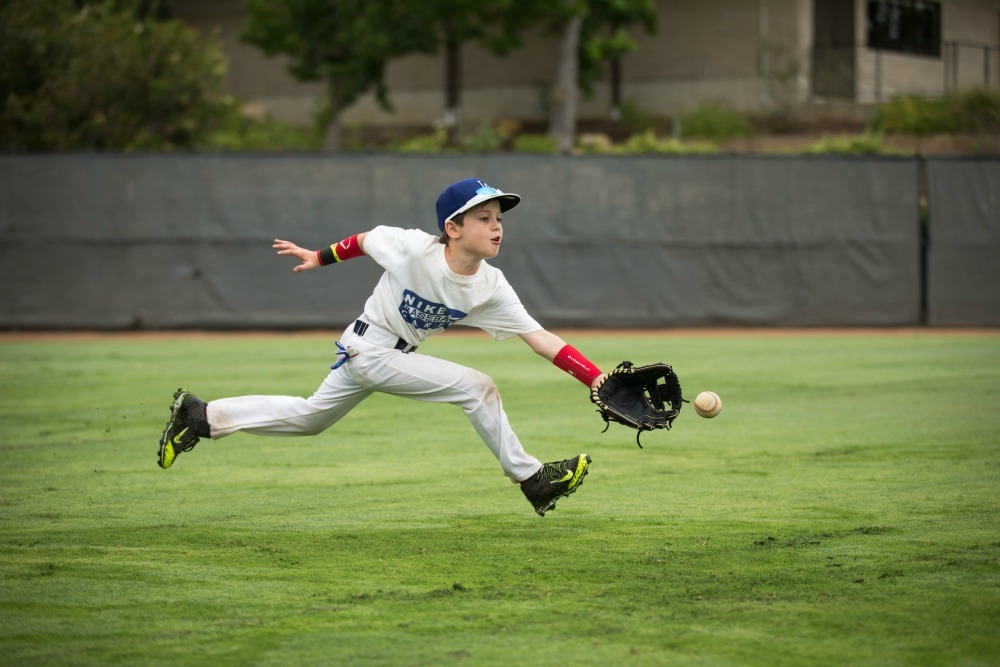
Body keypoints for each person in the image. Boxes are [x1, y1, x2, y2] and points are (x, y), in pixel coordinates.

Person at [158, 177, 608, 516]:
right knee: (478, 387)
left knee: (310, 418)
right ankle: (532, 479)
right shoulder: (414, 249)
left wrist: (595, 378)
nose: (496, 228)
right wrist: (319, 257)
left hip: (378, 354)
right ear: (452, 228)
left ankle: (201, 416)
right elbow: (365, 240)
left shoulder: (490, 285)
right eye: (484, 218)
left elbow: (540, 338)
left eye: (499, 219)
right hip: (369, 349)